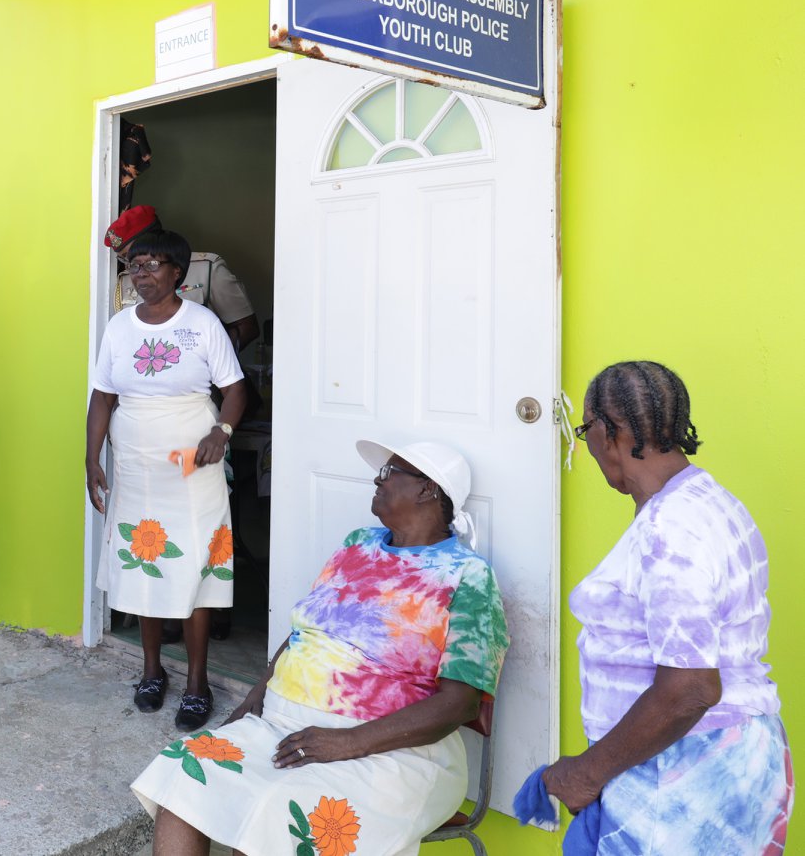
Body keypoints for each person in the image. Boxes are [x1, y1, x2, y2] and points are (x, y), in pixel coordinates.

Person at [133, 439, 509, 856]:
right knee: (184, 772)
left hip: (393, 750)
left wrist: (349, 743)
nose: (377, 481)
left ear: (427, 489)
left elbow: (460, 704)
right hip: (284, 725)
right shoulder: (358, 543)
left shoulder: (467, 576)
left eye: (389, 473)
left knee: (275, 815)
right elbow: (308, 628)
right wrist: (259, 690)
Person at [538, 361, 790, 853]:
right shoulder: (711, 500)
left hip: (685, 774)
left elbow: (690, 689)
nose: (589, 445)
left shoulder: (670, 529)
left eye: (585, 431)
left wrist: (585, 773)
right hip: (731, 757)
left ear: (611, 432)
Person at [86, 228, 247, 731]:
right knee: (145, 565)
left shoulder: (201, 323)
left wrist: (222, 431)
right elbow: (103, 397)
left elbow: (235, 390)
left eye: (152, 264)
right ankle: (151, 671)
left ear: (177, 272)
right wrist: (92, 458)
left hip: (192, 465)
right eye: (134, 265)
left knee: (195, 565)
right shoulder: (119, 327)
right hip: (136, 465)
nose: (141, 274)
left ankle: (197, 683)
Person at [106, 205, 259, 352]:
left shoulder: (206, 267)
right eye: (123, 259)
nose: (131, 264)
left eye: (133, 253)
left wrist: (209, 362)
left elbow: (246, 327)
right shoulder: (126, 280)